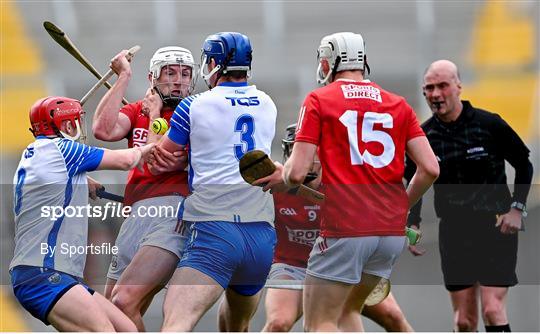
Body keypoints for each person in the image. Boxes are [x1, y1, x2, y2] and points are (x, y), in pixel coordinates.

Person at [258, 31, 439, 332]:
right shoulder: (399, 104)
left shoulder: (319, 99)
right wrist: (400, 207)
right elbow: (430, 169)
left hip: (346, 229)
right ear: (364, 61)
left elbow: (296, 173)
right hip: (390, 234)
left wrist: (283, 174)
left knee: (320, 324)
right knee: (347, 312)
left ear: (328, 63)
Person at [153, 32, 277, 332]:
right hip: (261, 237)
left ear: (213, 63)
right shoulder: (267, 103)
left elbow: (158, 158)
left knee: (176, 322)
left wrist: (154, 114)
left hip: (215, 230)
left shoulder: (193, 105)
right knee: (236, 326)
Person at [405, 59, 534, 332]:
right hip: (454, 231)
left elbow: (524, 163)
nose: (436, 94)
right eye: (429, 88)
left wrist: (517, 209)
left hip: (495, 227)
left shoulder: (489, 125)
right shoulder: (423, 137)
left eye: (442, 86)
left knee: (492, 309)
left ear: (458, 86)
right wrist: (412, 223)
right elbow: (413, 179)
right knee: (464, 320)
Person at [9, 96, 157, 331]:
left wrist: (80, 180)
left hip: (54, 275)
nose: (78, 126)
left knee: (126, 329)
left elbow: (51, 181)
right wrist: (153, 141)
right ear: (66, 125)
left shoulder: (36, 153)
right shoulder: (63, 149)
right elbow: (127, 160)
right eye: (74, 121)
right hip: (43, 274)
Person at [262, 124, 414, 332]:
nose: (301, 159)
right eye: (294, 151)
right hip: (293, 266)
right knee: (278, 323)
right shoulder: (276, 183)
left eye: (308, 151)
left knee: (393, 317)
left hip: (341, 267)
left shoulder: (344, 181)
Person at [92, 46, 196, 330]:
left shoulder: (194, 114)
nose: (179, 80)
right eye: (171, 73)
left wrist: (156, 116)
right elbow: (103, 129)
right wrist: (123, 77)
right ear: (153, 77)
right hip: (135, 213)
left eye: (185, 74)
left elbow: (156, 162)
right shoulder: (139, 108)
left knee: (123, 301)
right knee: (110, 315)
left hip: (170, 213)